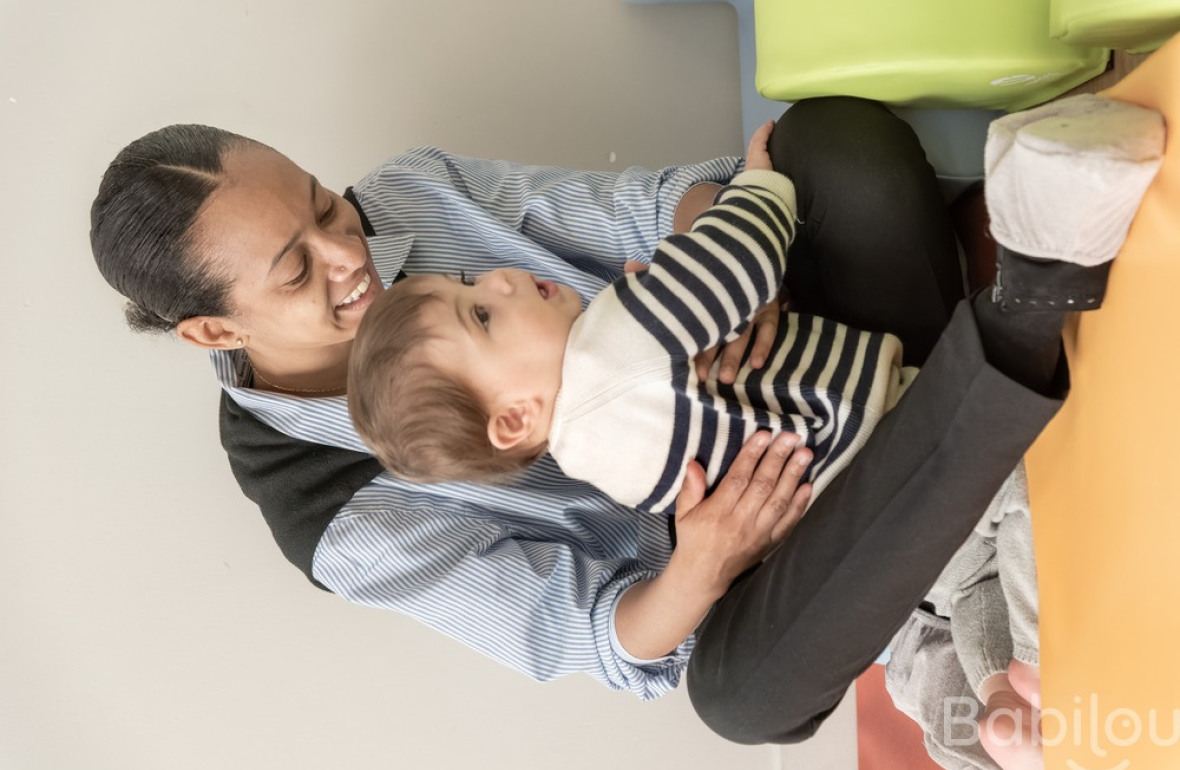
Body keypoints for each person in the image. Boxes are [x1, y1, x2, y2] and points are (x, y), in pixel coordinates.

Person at [88, 96, 1087, 744]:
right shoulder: (335, 519)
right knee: (738, 700)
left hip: (805, 364)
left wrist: (729, 280)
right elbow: (608, 634)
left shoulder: (408, 194)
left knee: (828, 141)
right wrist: (708, 550)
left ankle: (947, 494)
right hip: (766, 556)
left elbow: (664, 205)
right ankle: (995, 390)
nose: (349, 249)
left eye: (319, 205)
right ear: (214, 326)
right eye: (299, 268)